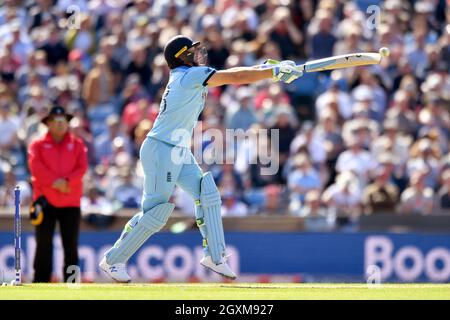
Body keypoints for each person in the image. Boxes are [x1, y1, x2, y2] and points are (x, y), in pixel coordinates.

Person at [99, 35, 303, 282]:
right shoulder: (188, 76)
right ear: (182, 56)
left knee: (208, 194)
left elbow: (237, 74)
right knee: (156, 213)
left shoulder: (190, 77)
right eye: (192, 51)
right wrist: (273, 72)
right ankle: (113, 260)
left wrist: (268, 68)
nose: (199, 54)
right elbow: (235, 77)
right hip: (162, 148)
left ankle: (215, 257)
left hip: (176, 149)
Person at [28, 106, 88, 282]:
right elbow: (36, 168)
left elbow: (82, 168)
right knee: (43, 244)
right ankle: (40, 283)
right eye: (56, 121)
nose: (61, 124)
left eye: (64, 121)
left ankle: (72, 284)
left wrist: (66, 182)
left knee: (71, 246)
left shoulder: (78, 144)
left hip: (70, 202)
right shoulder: (37, 144)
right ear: (48, 123)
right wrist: (58, 182)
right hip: (44, 201)